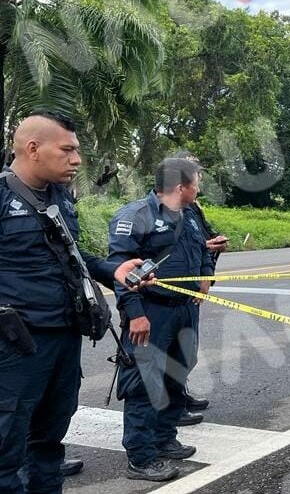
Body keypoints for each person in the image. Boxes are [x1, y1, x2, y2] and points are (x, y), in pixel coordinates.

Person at [0, 112, 147, 494]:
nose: (77, 160)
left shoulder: (59, 199)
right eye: (67, 150)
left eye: (77, 151)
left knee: (48, 448)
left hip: (61, 344)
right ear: (33, 149)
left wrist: (112, 271)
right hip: (8, 348)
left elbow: (71, 255)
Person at [108, 158, 213, 482]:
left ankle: (164, 438)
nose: (199, 187)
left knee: (177, 374)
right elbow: (120, 269)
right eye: (196, 181)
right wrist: (136, 313)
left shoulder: (191, 215)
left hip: (184, 309)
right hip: (151, 311)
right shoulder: (136, 215)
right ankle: (141, 457)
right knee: (144, 383)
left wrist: (207, 276)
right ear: (181, 186)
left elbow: (204, 249)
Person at [173, 151, 228, 420]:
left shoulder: (193, 208)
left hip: (192, 289)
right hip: (168, 295)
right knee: (167, 352)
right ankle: (171, 408)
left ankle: (179, 397)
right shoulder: (155, 209)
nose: (199, 180)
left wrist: (215, 244)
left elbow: (204, 237)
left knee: (186, 350)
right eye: (195, 174)